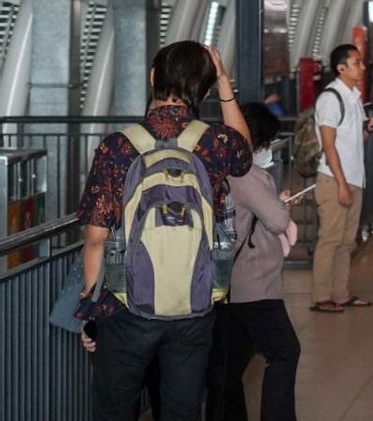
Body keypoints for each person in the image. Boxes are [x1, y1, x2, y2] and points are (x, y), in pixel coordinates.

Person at [77, 42, 252, 420]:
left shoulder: (117, 147)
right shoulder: (214, 144)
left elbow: (96, 239)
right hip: (195, 301)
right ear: (205, 88)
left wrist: (92, 311)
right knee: (182, 410)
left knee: (114, 410)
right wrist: (225, 82)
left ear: (153, 76)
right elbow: (244, 153)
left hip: (124, 305)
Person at [206, 103, 300, 421]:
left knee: (227, 366)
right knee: (285, 351)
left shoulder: (218, 168)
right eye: (267, 141)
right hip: (253, 283)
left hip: (228, 282)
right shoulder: (245, 173)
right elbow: (276, 220)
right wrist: (280, 206)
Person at [310, 44, 373, 314]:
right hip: (334, 179)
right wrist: (341, 184)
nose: (362, 67)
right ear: (341, 68)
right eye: (356, 63)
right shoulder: (331, 99)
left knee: (346, 242)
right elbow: (329, 145)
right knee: (330, 239)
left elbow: (351, 139)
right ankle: (321, 296)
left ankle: (340, 293)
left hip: (353, 178)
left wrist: (367, 129)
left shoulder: (352, 96)